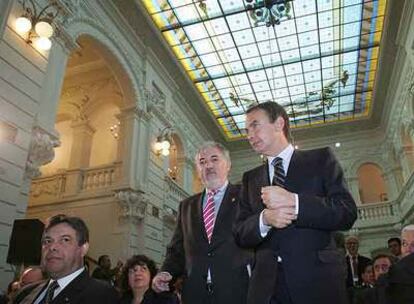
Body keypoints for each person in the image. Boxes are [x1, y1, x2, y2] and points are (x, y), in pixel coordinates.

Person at [234, 101, 357, 304]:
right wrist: (264, 219)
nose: (249, 135)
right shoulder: (250, 179)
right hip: (265, 288)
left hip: (316, 283)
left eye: (255, 125)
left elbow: (346, 212)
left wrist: (296, 203)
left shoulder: (321, 159)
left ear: (279, 123)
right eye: (246, 130)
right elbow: (239, 232)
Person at [152, 141, 252, 304]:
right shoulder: (186, 206)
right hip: (195, 294)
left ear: (228, 165)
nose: (208, 166)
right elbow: (177, 250)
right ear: (198, 170)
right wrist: (166, 272)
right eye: (202, 162)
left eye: (214, 159)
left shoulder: (245, 196)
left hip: (236, 292)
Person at [13, 214, 118, 304]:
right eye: (47, 241)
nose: (52, 247)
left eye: (65, 240)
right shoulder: (25, 293)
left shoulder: (102, 296)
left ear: (83, 249)